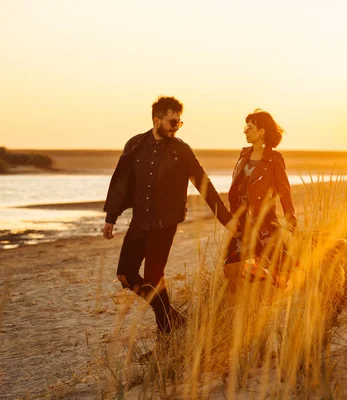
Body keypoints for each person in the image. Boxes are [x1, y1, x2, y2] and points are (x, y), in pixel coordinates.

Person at [102, 96, 237, 334]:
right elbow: (121, 181)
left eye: (179, 123)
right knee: (125, 275)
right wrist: (111, 217)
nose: (176, 127)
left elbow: (204, 185)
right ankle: (172, 317)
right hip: (140, 221)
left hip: (165, 222)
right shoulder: (135, 144)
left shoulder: (181, 150)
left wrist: (226, 219)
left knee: (154, 278)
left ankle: (166, 331)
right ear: (157, 120)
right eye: (172, 122)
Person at [223, 109, 297, 290]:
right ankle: (250, 298)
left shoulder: (274, 159)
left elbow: (284, 191)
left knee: (279, 271)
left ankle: (272, 287)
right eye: (245, 127)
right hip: (242, 222)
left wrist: (290, 217)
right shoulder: (244, 154)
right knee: (231, 267)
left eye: (249, 127)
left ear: (262, 131)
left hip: (264, 223)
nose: (245, 131)